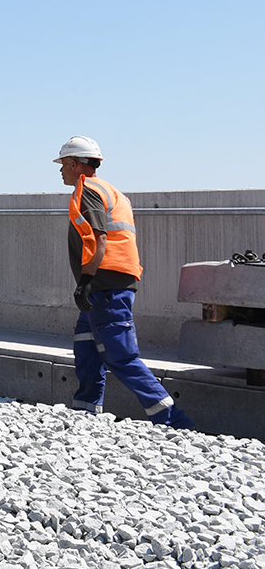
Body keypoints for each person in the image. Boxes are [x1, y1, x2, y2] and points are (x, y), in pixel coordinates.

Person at [55, 136, 194, 428]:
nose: (60, 171)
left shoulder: (88, 189)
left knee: (121, 356)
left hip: (105, 284)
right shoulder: (112, 190)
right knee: (86, 345)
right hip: (111, 281)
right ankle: (85, 412)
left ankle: (174, 421)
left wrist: (86, 281)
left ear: (74, 163)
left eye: (63, 164)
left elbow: (100, 237)